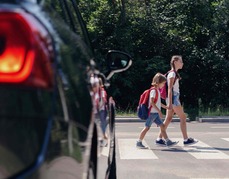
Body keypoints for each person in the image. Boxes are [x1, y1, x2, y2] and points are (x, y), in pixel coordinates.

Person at [155, 55, 198, 146]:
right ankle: (186, 139)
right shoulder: (172, 74)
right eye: (181, 61)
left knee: (168, 119)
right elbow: (170, 89)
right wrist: (170, 103)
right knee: (183, 117)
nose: (182, 63)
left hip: (173, 98)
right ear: (175, 62)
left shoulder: (173, 73)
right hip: (173, 98)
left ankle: (159, 139)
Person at [136, 73, 178, 148]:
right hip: (152, 113)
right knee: (147, 127)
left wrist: (165, 107)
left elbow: (157, 102)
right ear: (158, 82)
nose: (163, 85)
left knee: (162, 126)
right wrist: (159, 111)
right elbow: (152, 102)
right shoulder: (154, 91)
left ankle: (168, 141)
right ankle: (139, 142)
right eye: (163, 83)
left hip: (155, 114)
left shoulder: (157, 91)